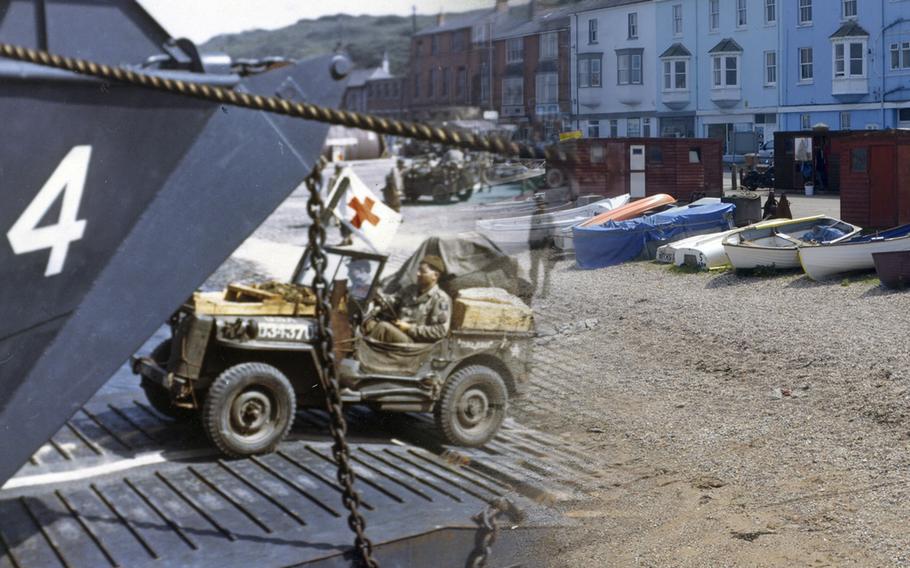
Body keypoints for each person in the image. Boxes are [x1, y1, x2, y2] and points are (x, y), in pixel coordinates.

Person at [368, 255, 451, 344]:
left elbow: (440, 331)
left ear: (435, 275)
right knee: (369, 324)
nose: (418, 274)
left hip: (415, 344)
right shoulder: (410, 290)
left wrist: (409, 328)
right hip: (399, 334)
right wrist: (378, 297)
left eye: (422, 271)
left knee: (382, 327)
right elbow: (393, 301)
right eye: (418, 270)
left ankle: (362, 354)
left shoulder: (440, 299)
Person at [528, 195, 554, 299]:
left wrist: (550, 247)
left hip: (545, 247)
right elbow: (531, 231)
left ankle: (545, 292)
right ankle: (533, 289)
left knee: (546, 270)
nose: (540, 206)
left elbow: (552, 232)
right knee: (534, 269)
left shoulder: (549, 216)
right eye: (538, 204)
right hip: (534, 246)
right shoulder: (534, 216)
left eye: (542, 204)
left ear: (545, 205)